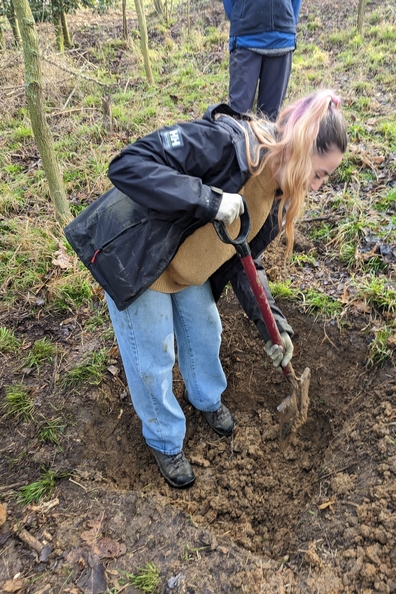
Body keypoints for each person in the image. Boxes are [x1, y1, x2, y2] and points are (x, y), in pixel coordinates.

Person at [64, 90, 348, 489]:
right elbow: (128, 165)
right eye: (319, 173)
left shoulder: (277, 193)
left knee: (205, 331)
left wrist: (275, 326)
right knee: (154, 355)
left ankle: (206, 400)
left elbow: (247, 261)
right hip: (140, 257)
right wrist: (208, 199)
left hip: (187, 266)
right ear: (300, 148)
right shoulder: (224, 144)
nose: (317, 186)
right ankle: (165, 439)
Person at [222, 0, 303, 120]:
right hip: (245, 38)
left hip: (281, 39)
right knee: (237, 118)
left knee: (270, 121)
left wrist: (288, 21)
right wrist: (239, 18)